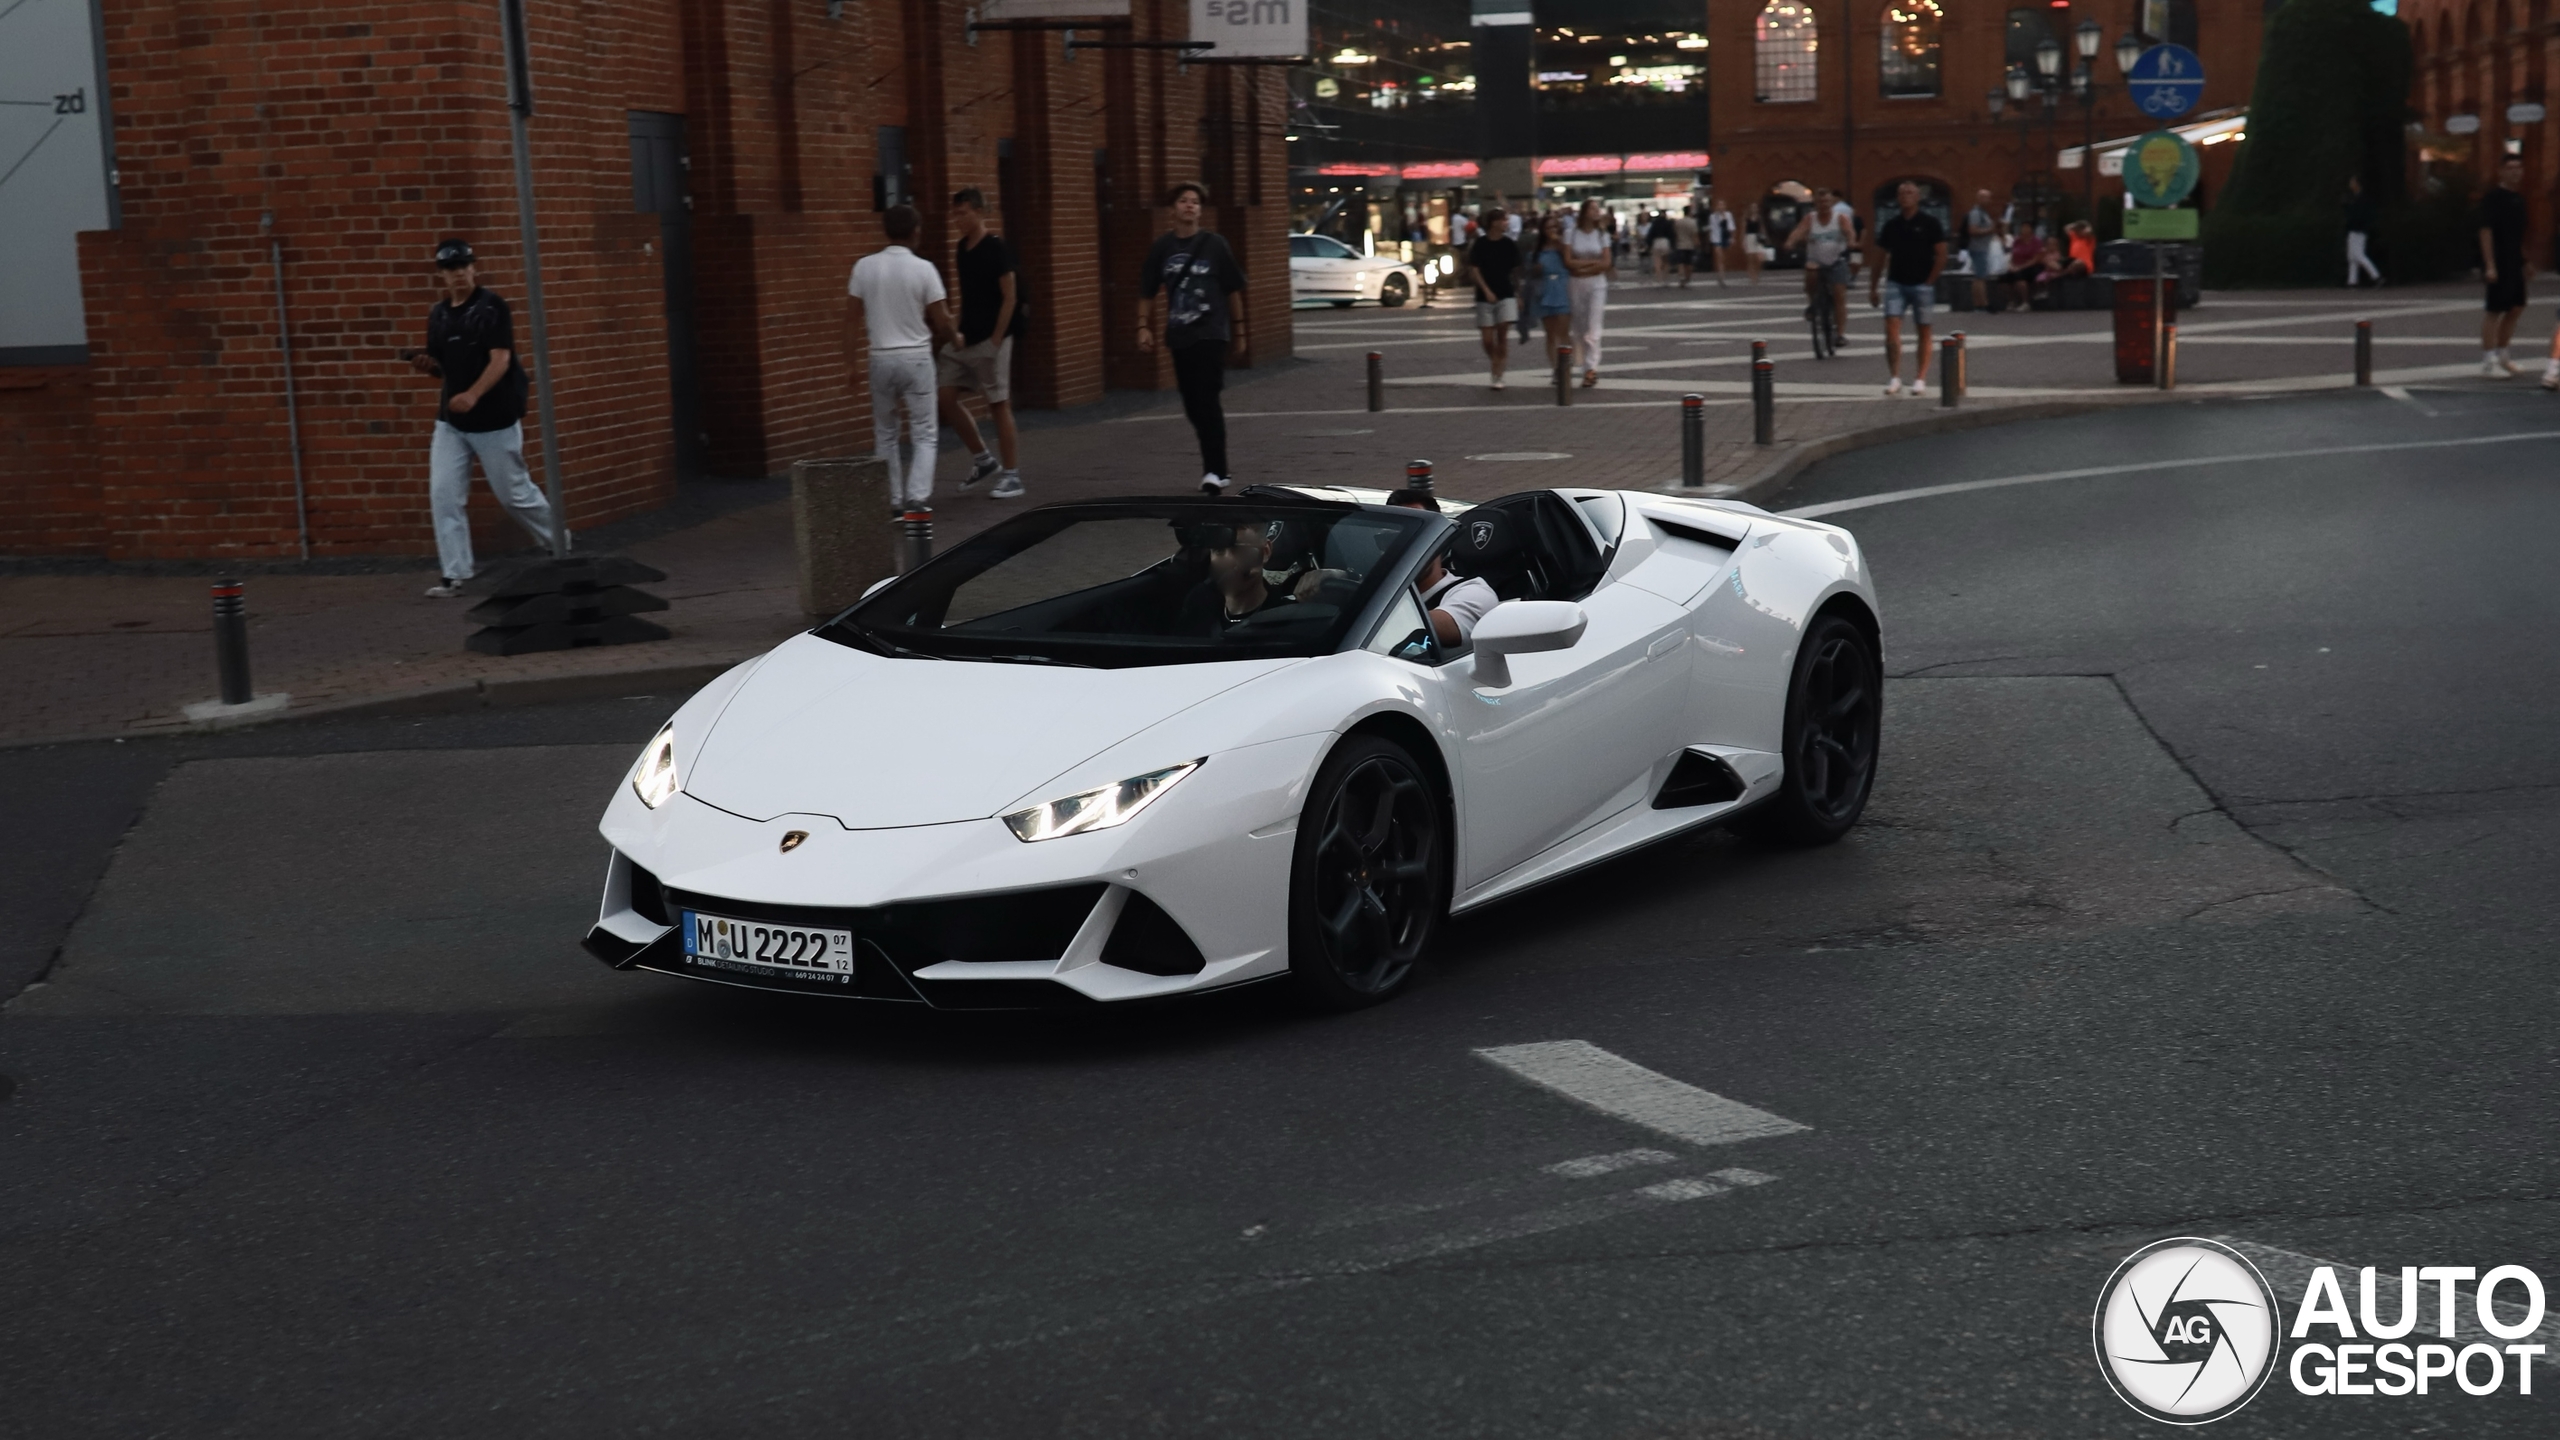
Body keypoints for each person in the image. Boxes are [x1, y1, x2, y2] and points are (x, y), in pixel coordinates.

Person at [408, 240, 558, 598]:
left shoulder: (492, 307)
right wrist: (429, 366)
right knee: (443, 492)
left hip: (494, 417)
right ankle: (456, 573)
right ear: (441, 274)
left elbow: (500, 359)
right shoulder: (439, 315)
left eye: (464, 265)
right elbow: (445, 368)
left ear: (474, 268)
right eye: (450, 268)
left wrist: (474, 394)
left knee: (513, 493)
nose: (458, 272)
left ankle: (559, 541)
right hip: (452, 420)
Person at [1139, 180, 1250, 493]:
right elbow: (1147, 289)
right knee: (1192, 404)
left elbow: (1233, 289)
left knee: (1207, 398)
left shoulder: (1215, 245)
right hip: (1179, 335)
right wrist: (1142, 325)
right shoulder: (1163, 247)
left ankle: (1214, 470)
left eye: (1195, 202)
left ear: (1200, 210)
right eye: (1184, 201)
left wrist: (1240, 330)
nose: (1189, 206)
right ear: (1173, 209)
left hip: (1211, 334)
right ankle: (1218, 467)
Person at [848, 204, 957, 516]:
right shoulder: (924, 269)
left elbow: (850, 320)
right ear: (915, 231)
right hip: (916, 358)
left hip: (880, 358)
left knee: (885, 432)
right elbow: (942, 319)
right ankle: (916, 498)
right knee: (924, 431)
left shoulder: (864, 267)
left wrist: (849, 364)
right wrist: (956, 337)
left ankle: (893, 500)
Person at [935, 189, 1026, 499]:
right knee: (945, 396)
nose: (957, 220)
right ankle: (984, 460)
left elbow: (1010, 297)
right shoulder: (962, 248)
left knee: (998, 403)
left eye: (962, 213)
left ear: (978, 212)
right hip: (967, 338)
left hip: (993, 340)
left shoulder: (997, 248)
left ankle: (1012, 476)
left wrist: (996, 340)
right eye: (955, 214)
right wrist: (956, 328)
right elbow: (968, 296)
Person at [1384, 491, 1499, 647]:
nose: (1401, 546)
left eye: (1414, 538)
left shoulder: (1474, 593)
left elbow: (1443, 627)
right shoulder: (1377, 591)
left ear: (1439, 542)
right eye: (1389, 539)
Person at [1869, 180, 1947, 398]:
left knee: (1924, 330)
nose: (1905, 196)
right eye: (1901, 193)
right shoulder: (1891, 225)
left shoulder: (1930, 223)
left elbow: (1941, 253)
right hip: (1896, 282)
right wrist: (1873, 286)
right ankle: (1894, 376)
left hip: (1921, 283)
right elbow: (1879, 256)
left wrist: (1930, 281)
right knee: (1891, 326)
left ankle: (1920, 378)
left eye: (1910, 192)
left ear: (1918, 197)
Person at [1785, 187, 1856, 345]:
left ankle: (1840, 334)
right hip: (1815, 260)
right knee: (1810, 273)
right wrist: (1791, 242)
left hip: (1836, 259)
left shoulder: (1840, 218)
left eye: (1827, 201)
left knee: (1839, 296)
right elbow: (1799, 231)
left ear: (1831, 202)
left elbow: (1849, 231)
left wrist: (1851, 240)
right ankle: (1812, 304)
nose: (1823, 204)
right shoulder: (1810, 218)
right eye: (1820, 201)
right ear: (1815, 203)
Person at [2478, 155, 2529, 377]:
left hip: (2514, 261)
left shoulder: (2519, 199)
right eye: (2510, 167)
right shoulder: (2493, 198)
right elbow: (2485, 231)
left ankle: (2504, 355)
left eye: (2518, 167)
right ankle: (2488, 361)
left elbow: (2518, 236)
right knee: (2494, 310)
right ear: (2501, 171)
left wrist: (2525, 261)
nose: (2515, 172)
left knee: (2516, 307)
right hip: (2498, 260)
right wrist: (2489, 264)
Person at [1465, 207, 1522, 389]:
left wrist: (1518, 294)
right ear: (1494, 223)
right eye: (1503, 220)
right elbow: (1474, 269)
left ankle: (1498, 373)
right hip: (1484, 296)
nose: (1506, 223)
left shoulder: (1509, 244)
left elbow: (1515, 271)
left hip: (1506, 293)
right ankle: (1497, 362)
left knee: (1503, 335)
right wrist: (1486, 290)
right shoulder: (1481, 244)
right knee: (1487, 340)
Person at [1563, 198, 1612, 387]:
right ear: (1584, 212)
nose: (1595, 212)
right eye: (1592, 209)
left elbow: (1606, 263)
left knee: (1593, 327)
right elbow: (1568, 261)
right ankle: (1584, 365)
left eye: (1597, 209)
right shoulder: (1571, 233)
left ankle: (1591, 368)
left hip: (1597, 283)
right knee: (1579, 327)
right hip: (1575, 283)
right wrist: (1593, 264)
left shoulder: (1601, 235)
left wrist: (1583, 267)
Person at [1525, 213, 1575, 379]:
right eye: (1548, 228)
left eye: (1554, 227)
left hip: (1562, 286)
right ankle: (1555, 368)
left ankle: (1566, 363)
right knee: (1550, 332)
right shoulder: (1537, 249)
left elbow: (1571, 260)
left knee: (1563, 330)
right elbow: (1529, 268)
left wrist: (1559, 243)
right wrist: (1536, 268)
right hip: (1545, 288)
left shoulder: (1563, 245)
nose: (1551, 230)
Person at [1958, 189, 2003, 312]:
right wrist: (1990, 230)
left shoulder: (1983, 213)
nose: (1989, 201)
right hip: (1978, 248)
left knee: (1979, 276)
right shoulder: (1976, 213)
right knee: (1981, 277)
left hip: (1982, 247)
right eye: (1986, 198)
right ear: (1979, 198)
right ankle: (1982, 304)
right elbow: (1972, 230)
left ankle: (1979, 303)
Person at [2344, 176, 2383, 289]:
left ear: (2357, 184)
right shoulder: (2356, 197)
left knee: (2358, 255)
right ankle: (2352, 281)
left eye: (2352, 182)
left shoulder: (2360, 198)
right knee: (2352, 256)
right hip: (2356, 229)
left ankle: (2376, 276)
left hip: (2358, 229)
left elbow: (2359, 214)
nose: (2350, 184)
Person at [1996, 228, 2048, 310]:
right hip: (2016, 266)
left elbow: (2035, 260)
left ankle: (2025, 302)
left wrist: (2020, 267)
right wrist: (2011, 265)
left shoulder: (2037, 241)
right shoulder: (2016, 241)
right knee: (2003, 279)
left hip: (2031, 267)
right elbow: (2012, 255)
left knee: (2019, 277)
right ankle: (2012, 301)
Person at [1704, 199, 1736, 287]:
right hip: (1717, 238)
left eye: (1722, 205)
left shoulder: (1728, 215)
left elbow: (1731, 227)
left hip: (1725, 237)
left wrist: (1732, 238)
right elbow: (1712, 228)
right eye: (1719, 205)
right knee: (1720, 257)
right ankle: (1721, 277)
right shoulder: (1713, 216)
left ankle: (1722, 274)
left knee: (1724, 258)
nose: (1721, 207)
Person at [1673, 205, 1701, 288]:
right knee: (1689, 263)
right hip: (1690, 245)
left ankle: (1681, 278)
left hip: (1680, 245)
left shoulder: (1678, 222)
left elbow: (1675, 234)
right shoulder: (1693, 222)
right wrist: (1697, 244)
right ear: (1690, 212)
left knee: (1680, 263)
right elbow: (1695, 235)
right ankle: (1687, 278)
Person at [1646, 209, 1677, 280]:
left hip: (1656, 241)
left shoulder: (1655, 223)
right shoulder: (1668, 223)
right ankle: (1665, 276)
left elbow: (1650, 234)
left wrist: (1649, 244)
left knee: (1657, 261)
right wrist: (1673, 245)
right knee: (1666, 261)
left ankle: (1659, 278)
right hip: (1665, 242)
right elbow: (1672, 234)